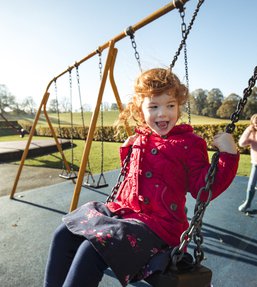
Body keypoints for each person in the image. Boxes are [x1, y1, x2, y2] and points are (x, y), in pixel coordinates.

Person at [44, 68, 239, 287]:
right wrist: (128, 152)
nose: (163, 113)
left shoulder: (189, 143)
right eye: (154, 106)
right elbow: (135, 180)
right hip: (124, 212)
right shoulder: (141, 137)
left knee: (93, 250)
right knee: (63, 233)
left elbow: (202, 188)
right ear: (141, 109)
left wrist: (228, 156)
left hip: (160, 225)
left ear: (179, 106)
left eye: (170, 105)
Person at [238, 113, 257, 212]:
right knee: (251, 186)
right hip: (256, 164)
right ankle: (247, 203)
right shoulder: (252, 134)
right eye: (255, 124)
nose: (256, 125)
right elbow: (241, 143)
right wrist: (248, 130)